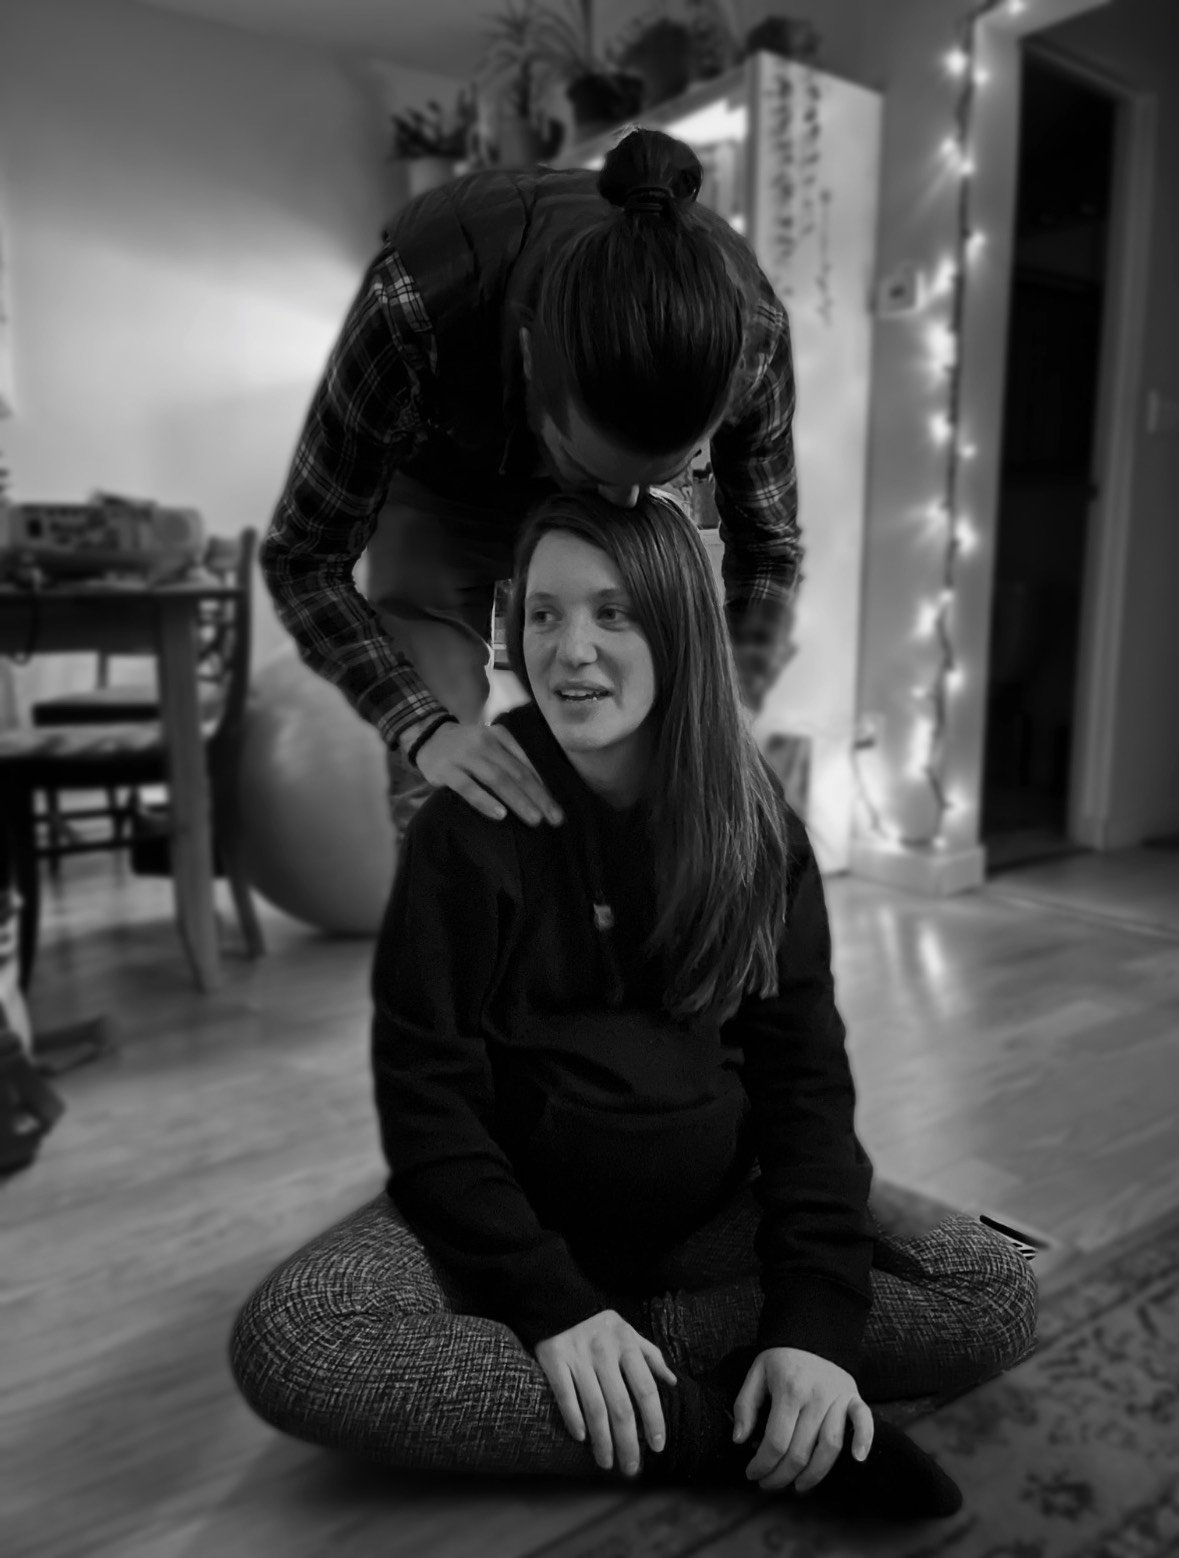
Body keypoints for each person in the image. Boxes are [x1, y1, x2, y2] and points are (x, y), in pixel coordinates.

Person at [230, 492, 1038, 1516]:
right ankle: (713, 1427)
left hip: (716, 1213)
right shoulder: (466, 823)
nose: (572, 651)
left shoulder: (756, 829)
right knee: (297, 1340)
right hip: (517, 1220)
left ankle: (659, 1360)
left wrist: (812, 1331)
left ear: (679, 627)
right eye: (546, 615)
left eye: (615, 614)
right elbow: (428, 1098)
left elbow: (806, 1093)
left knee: (996, 1288)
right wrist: (552, 1304)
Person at [260, 125, 801, 835]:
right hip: (447, 486)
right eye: (586, 469)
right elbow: (305, 558)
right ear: (524, 359)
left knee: (655, 749)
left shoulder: (749, 343)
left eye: (659, 477)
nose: (618, 508)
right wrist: (422, 729)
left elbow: (768, 548)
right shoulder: (411, 312)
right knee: (448, 789)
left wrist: (736, 690)